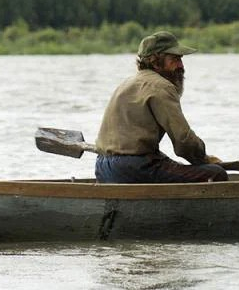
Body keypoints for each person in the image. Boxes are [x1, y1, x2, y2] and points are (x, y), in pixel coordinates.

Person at [95, 31, 228, 184]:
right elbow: (184, 142)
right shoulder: (162, 87)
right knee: (216, 174)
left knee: (171, 164)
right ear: (155, 61)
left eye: (181, 59)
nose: (181, 66)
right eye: (175, 59)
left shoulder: (127, 84)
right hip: (135, 168)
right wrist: (204, 159)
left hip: (103, 167)